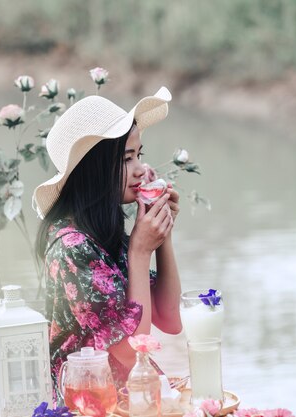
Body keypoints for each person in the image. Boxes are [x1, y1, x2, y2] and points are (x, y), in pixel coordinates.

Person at [32, 87, 182, 401]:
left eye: (138, 155)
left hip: (131, 392)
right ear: (93, 168)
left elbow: (170, 318)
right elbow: (131, 352)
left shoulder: (106, 235)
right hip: (90, 403)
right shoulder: (72, 247)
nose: (141, 168)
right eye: (127, 158)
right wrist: (140, 251)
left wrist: (161, 232)